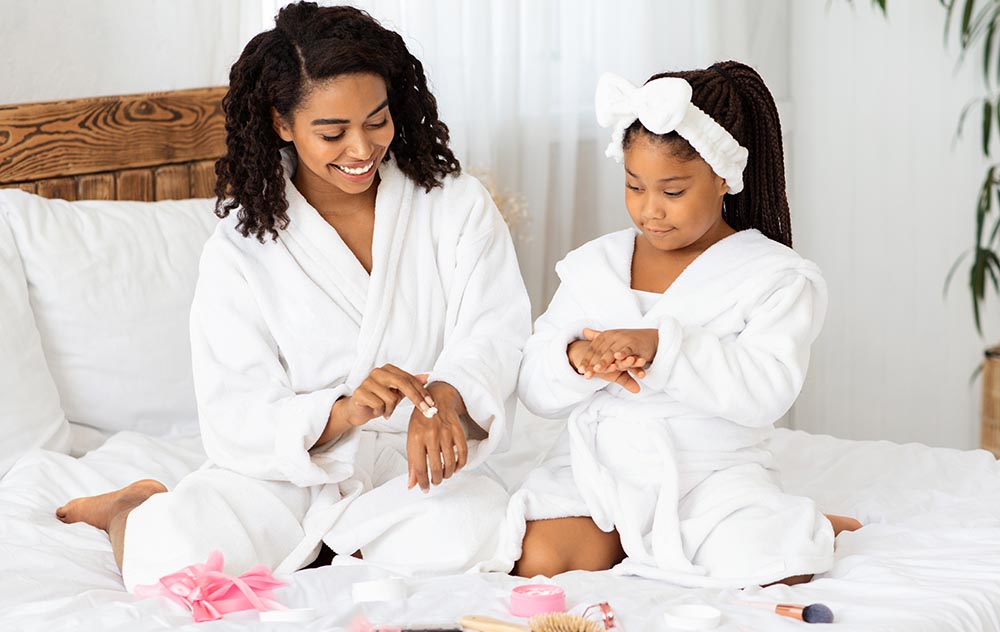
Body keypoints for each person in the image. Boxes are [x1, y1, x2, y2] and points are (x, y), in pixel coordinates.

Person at [56, 1, 531, 590]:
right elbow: (236, 408)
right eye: (332, 132)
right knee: (176, 559)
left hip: (415, 463)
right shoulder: (243, 246)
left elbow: (496, 327)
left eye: (377, 121)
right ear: (282, 123)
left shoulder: (453, 205)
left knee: (473, 535)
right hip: (293, 470)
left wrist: (446, 397)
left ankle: (337, 552)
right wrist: (344, 411)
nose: (361, 149)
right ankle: (130, 507)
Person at [489, 62, 860, 587]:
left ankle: (804, 521)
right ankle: (632, 538)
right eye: (634, 186)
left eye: (673, 191)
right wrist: (574, 359)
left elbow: (767, 389)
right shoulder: (595, 265)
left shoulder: (773, 276)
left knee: (770, 563)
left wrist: (663, 348)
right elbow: (533, 383)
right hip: (599, 468)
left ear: (724, 178)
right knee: (539, 562)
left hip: (707, 472)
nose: (649, 210)